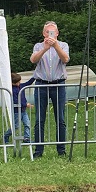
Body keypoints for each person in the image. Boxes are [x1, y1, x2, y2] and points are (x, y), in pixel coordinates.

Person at [30, 21, 70, 158]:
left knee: (60, 118)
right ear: (44, 33)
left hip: (58, 84)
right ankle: (38, 151)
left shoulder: (63, 45)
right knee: (39, 119)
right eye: (47, 32)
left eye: (52, 32)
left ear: (57, 33)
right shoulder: (38, 46)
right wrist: (45, 49)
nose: (50, 35)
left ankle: (61, 150)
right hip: (41, 84)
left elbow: (65, 59)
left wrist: (56, 46)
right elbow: (33, 60)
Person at [4, 71, 33, 145]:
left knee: (27, 124)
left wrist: (35, 77)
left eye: (19, 81)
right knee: (16, 126)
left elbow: (28, 83)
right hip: (16, 111)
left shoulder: (21, 86)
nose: (19, 83)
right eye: (17, 82)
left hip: (23, 110)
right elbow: (16, 100)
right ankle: (6, 135)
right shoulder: (12, 90)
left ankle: (26, 138)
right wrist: (25, 104)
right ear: (12, 83)